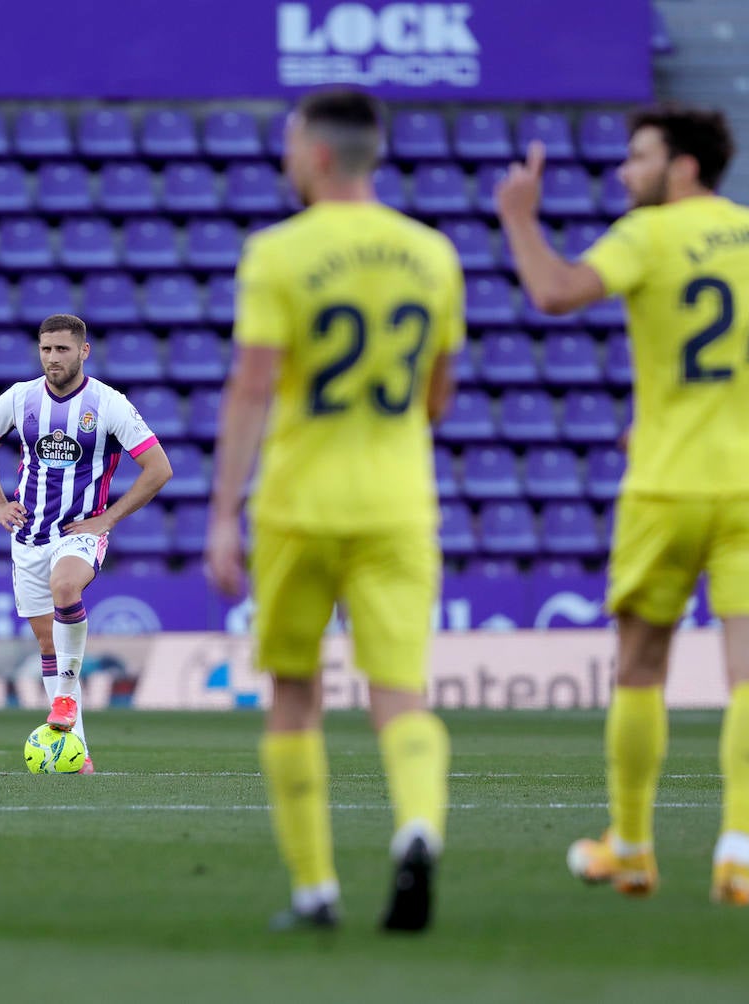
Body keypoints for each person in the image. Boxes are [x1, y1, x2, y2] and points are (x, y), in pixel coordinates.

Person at [496, 104, 749, 906]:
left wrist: (520, 220)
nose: (625, 173)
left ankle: (631, 846)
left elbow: (555, 292)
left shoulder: (650, 235)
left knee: (638, 669)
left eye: (638, 158)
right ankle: (739, 854)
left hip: (669, 486)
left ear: (684, 167)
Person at [205, 89, 463, 933]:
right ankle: (417, 825)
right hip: (397, 502)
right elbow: (437, 397)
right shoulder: (433, 255)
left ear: (316, 155)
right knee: (401, 695)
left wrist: (220, 514)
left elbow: (252, 385)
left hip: (299, 505)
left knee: (293, 695)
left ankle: (316, 891)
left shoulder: (277, 253)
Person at [0, 313, 172, 772]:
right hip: (28, 535)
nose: (53, 358)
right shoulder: (19, 399)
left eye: (62, 349)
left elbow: (159, 468)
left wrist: (109, 519)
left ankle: (63, 698)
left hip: (77, 533)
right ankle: (76, 755)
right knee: (49, 646)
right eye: (46, 350)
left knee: (66, 588)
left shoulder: (108, 403)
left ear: (84, 351)